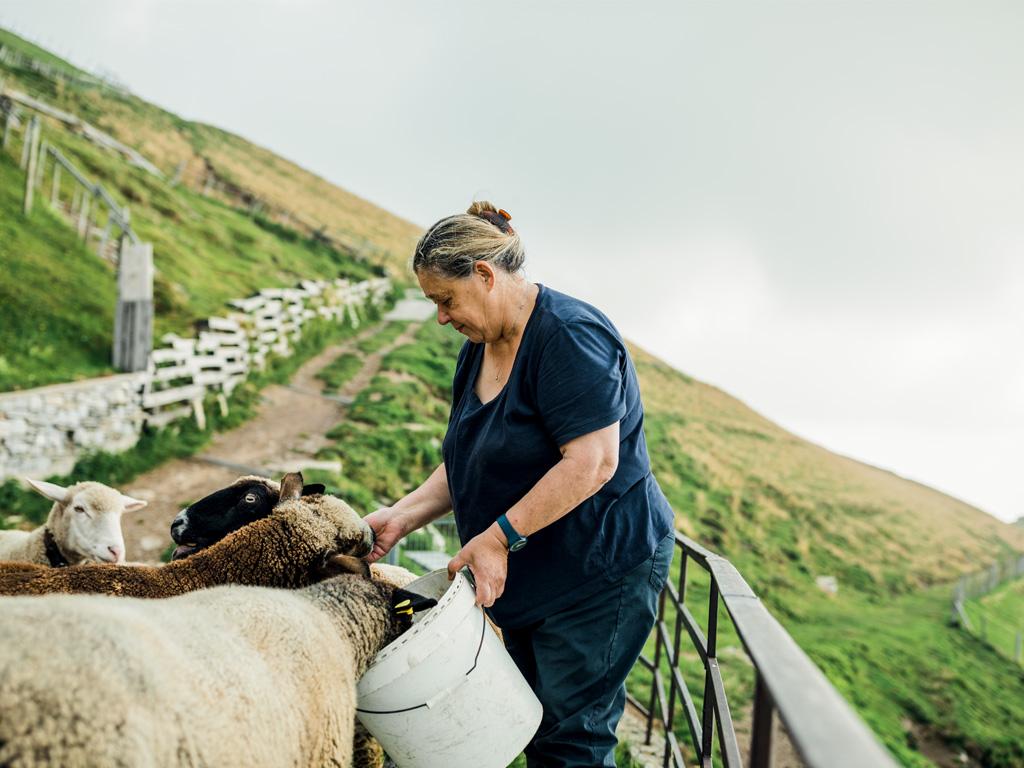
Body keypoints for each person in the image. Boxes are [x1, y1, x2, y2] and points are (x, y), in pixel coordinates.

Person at [364, 201, 675, 767]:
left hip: (597, 571)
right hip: (532, 572)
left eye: (445, 299)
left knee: (568, 737)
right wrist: (402, 514)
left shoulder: (570, 337)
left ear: (484, 275)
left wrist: (497, 537)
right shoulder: (477, 351)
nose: (440, 317)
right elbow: (472, 459)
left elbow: (593, 461)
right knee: (530, 720)